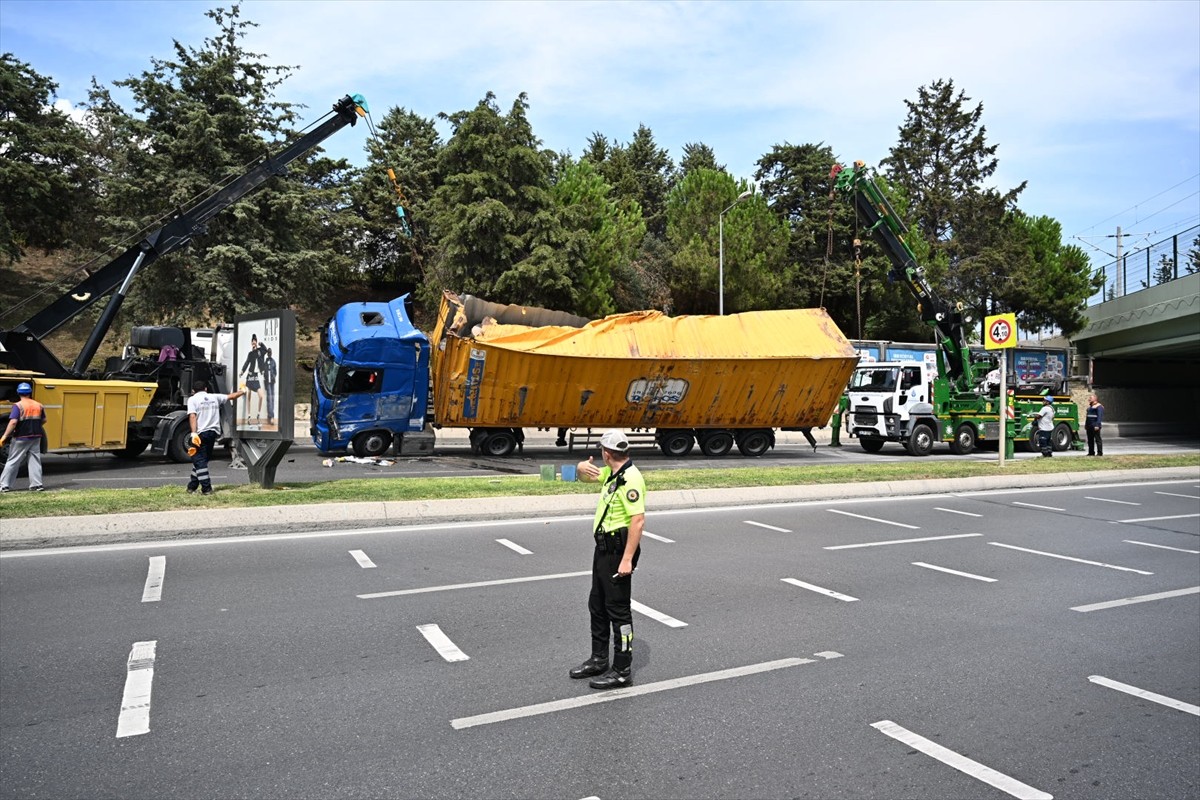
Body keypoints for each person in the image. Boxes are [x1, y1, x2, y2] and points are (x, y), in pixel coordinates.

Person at [570, 429, 646, 690]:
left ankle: (622, 670)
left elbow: (638, 521)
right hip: (603, 550)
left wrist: (627, 561)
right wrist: (580, 467)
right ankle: (599, 659)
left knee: (619, 612)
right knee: (597, 605)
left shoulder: (631, 479)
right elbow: (581, 478)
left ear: (606, 452)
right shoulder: (613, 474)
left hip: (618, 552)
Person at [185, 380, 246, 495]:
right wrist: (242, 391)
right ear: (206, 389)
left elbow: (193, 416)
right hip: (213, 433)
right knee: (202, 460)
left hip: (200, 433)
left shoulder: (192, 400)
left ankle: (206, 489)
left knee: (199, 460)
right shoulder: (214, 397)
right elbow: (231, 397)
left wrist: (193, 433)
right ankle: (192, 486)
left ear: (193, 391)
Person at [0, 382, 46, 493]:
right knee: (34, 460)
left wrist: (4, 436)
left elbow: (13, 422)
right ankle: (37, 485)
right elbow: (44, 420)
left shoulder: (18, 406)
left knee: (12, 460)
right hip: (36, 437)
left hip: (21, 437)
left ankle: (4, 486)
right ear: (30, 392)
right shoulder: (39, 405)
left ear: (18, 393)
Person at [239, 334, 264, 423]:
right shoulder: (250, 354)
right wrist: (242, 371)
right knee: (248, 395)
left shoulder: (259, 352)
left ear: (256, 343)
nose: (254, 343)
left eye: (255, 342)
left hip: (256, 376)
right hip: (250, 376)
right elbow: (247, 363)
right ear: (251, 343)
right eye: (252, 342)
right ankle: (249, 416)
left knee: (261, 396)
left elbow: (262, 357)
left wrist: (259, 347)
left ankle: (258, 414)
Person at [263, 347, 277, 425]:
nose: (269, 354)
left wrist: (273, 376)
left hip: (272, 382)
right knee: (269, 399)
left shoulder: (273, 362)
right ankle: (270, 416)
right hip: (267, 383)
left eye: (270, 352)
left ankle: (271, 416)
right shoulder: (265, 362)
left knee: (272, 399)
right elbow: (264, 371)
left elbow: (275, 371)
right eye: (268, 352)